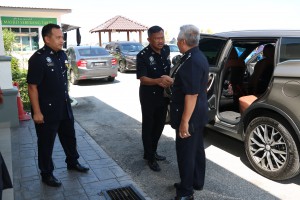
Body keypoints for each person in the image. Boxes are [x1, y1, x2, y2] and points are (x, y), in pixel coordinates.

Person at [27, 23, 89, 187]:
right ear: (47, 39)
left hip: (63, 106)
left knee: (70, 137)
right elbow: (32, 87)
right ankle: (46, 173)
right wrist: (37, 112)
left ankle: (72, 162)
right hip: (46, 110)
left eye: (62, 37)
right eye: (58, 37)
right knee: (46, 143)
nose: (62, 40)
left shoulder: (61, 55)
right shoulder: (38, 59)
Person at [170, 24, 209, 200]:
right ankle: (196, 181)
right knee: (197, 149)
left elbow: (191, 94)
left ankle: (186, 191)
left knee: (186, 153)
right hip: (198, 113)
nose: (177, 43)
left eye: (178, 41)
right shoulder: (196, 56)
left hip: (191, 115)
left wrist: (184, 121)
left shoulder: (192, 60)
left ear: (183, 41)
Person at [136, 25, 173, 172]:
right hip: (148, 96)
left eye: (162, 37)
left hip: (163, 95)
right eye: (156, 38)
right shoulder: (143, 55)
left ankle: (153, 151)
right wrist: (158, 81)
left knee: (160, 125)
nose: (160, 41)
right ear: (149, 39)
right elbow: (143, 79)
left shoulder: (166, 50)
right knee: (148, 126)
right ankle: (149, 157)